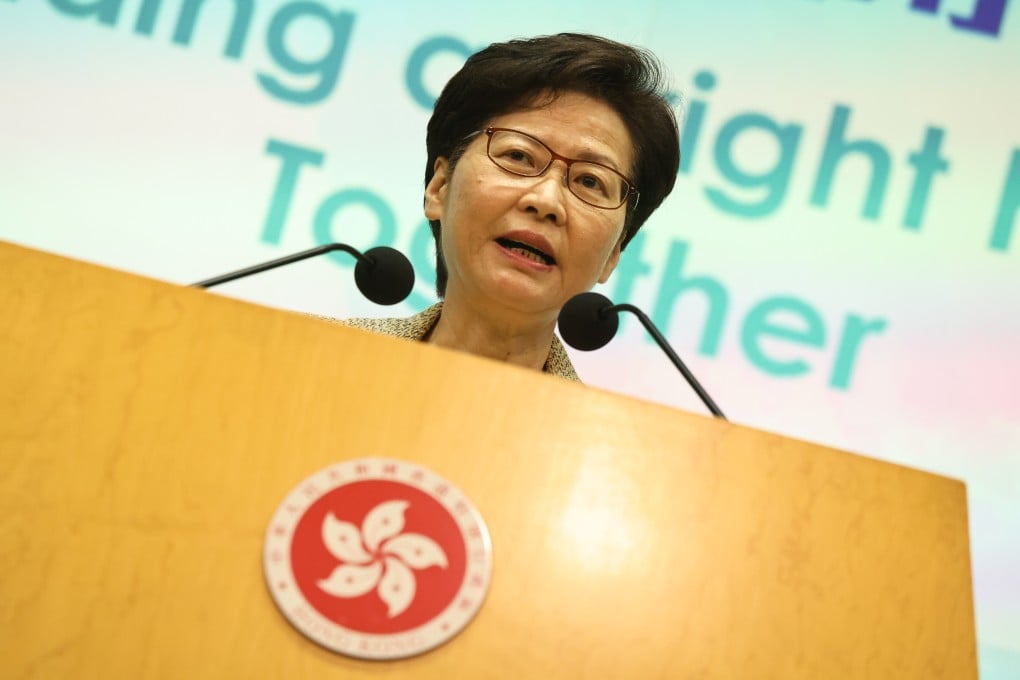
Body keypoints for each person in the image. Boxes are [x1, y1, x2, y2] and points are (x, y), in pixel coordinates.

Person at [344, 33, 680, 382]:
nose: (546, 201)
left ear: (614, 254)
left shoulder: (609, 437)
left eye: (590, 181)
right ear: (440, 187)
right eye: (518, 156)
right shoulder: (301, 359)